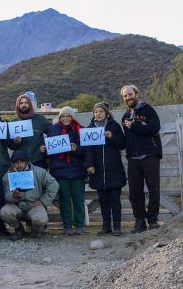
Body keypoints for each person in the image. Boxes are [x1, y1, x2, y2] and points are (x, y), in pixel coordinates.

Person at [120, 85, 162, 233]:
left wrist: (135, 125)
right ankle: (140, 221)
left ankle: (153, 219)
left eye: (130, 94)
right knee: (134, 191)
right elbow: (125, 139)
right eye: (125, 96)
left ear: (136, 94)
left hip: (150, 155)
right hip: (133, 158)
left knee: (153, 189)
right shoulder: (124, 117)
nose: (128, 97)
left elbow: (155, 128)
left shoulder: (148, 110)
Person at [42, 106, 87, 235]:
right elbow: (50, 151)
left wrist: (76, 149)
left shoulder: (81, 130)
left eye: (68, 116)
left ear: (72, 117)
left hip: (78, 170)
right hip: (60, 171)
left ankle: (80, 225)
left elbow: (86, 151)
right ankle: (67, 225)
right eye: (63, 116)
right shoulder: (53, 130)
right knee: (64, 199)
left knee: (78, 198)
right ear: (60, 118)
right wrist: (44, 151)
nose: (66, 118)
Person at [85, 103, 127, 236]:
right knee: (103, 200)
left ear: (107, 113)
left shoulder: (114, 126)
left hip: (113, 169)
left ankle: (117, 227)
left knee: (115, 199)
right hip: (98, 171)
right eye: (95, 112)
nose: (98, 114)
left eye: (101, 112)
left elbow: (122, 144)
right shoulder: (90, 129)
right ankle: (106, 226)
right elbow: (88, 150)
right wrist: (89, 165)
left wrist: (111, 137)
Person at [0, 150, 59, 240]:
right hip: (16, 206)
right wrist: (14, 196)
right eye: (16, 162)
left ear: (26, 162)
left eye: (22, 161)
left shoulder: (39, 172)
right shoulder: (7, 176)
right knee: (5, 212)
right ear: (12, 163)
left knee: (41, 219)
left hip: (34, 205)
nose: (19, 165)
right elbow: (7, 195)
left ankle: (36, 228)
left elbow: (54, 185)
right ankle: (18, 228)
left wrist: (43, 201)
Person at [9, 93, 52, 169]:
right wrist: (16, 142)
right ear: (18, 105)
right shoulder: (13, 123)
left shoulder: (40, 119)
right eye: (21, 103)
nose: (24, 105)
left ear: (30, 104)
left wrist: (45, 146)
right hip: (21, 163)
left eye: (26, 102)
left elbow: (53, 132)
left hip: (39, 161)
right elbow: (11, 146)